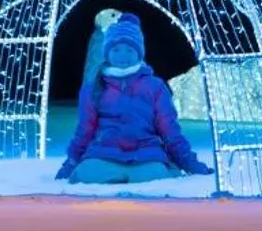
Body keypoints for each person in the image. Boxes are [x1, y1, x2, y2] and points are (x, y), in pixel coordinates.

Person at [56, 10, 213, 184]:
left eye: (129, 50)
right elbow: (85, 131)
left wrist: (189, 163)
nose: (123, 56)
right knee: (85, 174)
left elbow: (170, 131)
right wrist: (71, 163)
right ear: (107, 53)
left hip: (146, 157)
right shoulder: (94, 89)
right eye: (116, 49)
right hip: (104, 155)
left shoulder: (154, 87)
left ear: (139, 53)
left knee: (156, 176)